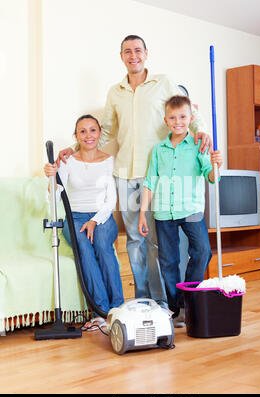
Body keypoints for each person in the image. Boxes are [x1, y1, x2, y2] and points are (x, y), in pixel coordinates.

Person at [56, 35, 213, 309]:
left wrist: (202, 132)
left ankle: (164, 300)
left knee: (157, 242)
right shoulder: (115, 92)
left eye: (138, 50)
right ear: (121, 56)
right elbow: (105, 131)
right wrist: (73, 148)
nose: (133, 56)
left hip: (157, 176)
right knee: (135, 240)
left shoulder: (163, 82)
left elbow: (187, 108)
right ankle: (142, 298)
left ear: (146, 53)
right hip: (126, 177)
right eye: (127, 51)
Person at [138, 95, 223, 327]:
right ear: (166, 120)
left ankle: (188, 297)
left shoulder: (199, 145)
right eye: (173, 118)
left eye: (183, 117)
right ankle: (176, 309)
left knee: (203, 252)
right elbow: (150, 182)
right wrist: (142, 212)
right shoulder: (158, 150)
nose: (178, 122)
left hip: (192, 209)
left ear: (191, 118)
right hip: (164, 211)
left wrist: (217, 165)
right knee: (167, 260)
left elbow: (210, 176)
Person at [44, 114, 124, 331]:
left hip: (102, 216)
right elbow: (55, 196)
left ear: (99, 133)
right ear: (76, 136)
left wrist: (95, 221)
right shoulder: (67, 161)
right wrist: (51, 178)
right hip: (75, 217)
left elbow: (111, 200)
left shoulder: (109, 161)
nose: (88, 135)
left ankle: (118, 309)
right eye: (83, 131)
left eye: (92, 130)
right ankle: (100, 313)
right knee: (85, 250)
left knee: (102, 247)